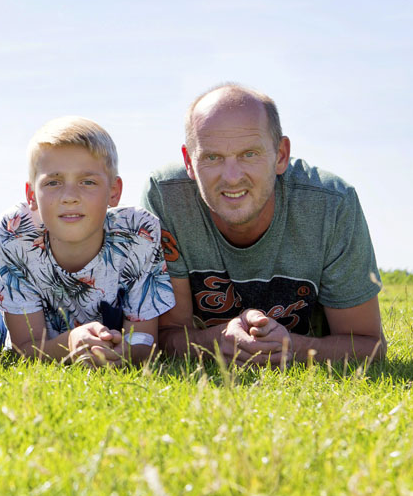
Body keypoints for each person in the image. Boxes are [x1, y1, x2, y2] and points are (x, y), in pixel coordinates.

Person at [142, 83, 387, 366]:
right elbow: (164, 336)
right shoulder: (167, 196)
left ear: (280, 155)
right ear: (189, 162)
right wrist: (218, 340)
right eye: (212, 157)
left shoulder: (330, 203)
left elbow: (370, 345)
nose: (232, 177)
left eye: (250, 154)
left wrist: (291, 347)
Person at [0, 117, 175, 366]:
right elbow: (24, 349)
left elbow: (145, 340)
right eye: (53, 182)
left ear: (114, 191)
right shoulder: (15, 233)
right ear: (31, 195)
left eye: (87, 182)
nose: (69, 197)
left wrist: (125, 351)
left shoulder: (138, 233)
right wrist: (71, 343)